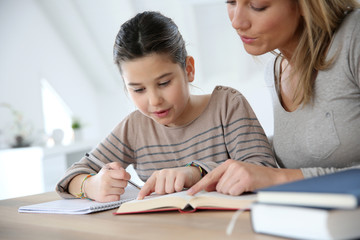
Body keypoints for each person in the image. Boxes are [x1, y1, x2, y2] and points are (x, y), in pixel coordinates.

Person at [55, 11, 276, 202]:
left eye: (164, 83)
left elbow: (265, 170)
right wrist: (90, 185)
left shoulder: (227, 106)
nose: (154, 101)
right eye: (138, 90)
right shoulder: (135, 127)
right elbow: (72, 176)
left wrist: (196, 172)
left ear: (188, 69)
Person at [188, 0, 360, 196]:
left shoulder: (354, 36)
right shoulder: (275, 71)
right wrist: (197, 171)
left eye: (257, 6)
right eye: (231, 2)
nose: (237, 22)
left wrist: (277, 178)